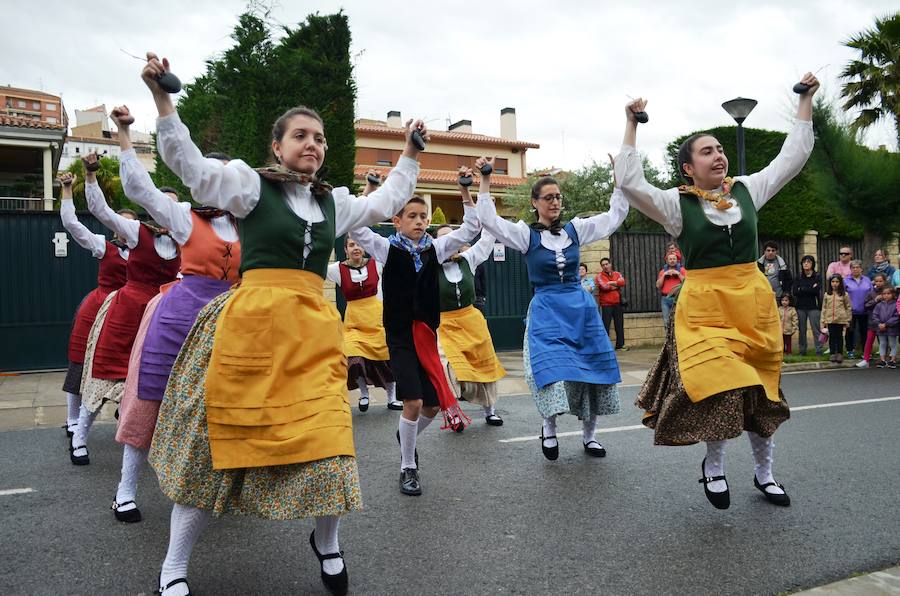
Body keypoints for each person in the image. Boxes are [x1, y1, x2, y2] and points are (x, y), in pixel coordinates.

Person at [141, 51, 424, 595]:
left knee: (331, 441)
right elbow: (194, 170)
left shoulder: (335, 204)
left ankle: (328, 543)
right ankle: (174, 567)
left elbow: (389, 198)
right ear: (278, 145)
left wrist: (409, 153)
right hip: (251, 326)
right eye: (300, 135)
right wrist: (163, 100)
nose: (312, 144)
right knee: (216, 448)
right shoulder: (250, 187)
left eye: (318, 137)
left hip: (313, 335)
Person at [615, 72, 819, 510]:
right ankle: (714, 467)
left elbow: (793, 157)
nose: (719, 155)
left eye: (721, 148)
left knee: (762, 392)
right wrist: (632, 124)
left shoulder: (747, 190)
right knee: (720, 388)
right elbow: (630, 183)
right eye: (708, 151)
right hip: (705, 308)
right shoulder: (676, 204)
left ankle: (765, 475)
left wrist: (804, 101)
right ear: (689, 167)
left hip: (753, 304)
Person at [108, 105, 242, 523]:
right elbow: (141, 191)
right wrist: (126, 136)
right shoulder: (184, 218)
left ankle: (207, 488)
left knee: (219, 408)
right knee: (152, 397)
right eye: (209, 173)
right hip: (179, 319)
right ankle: (126, 489)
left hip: (231, 322)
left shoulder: (250, 225)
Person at [476, 155, 628, 462]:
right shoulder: (525, 235)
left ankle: (590, 436)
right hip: (547, 309)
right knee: (551, 371)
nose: (555, 202)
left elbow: (615, 217)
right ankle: (548, 427)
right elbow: (490, 221)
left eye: (558, 197)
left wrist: (618, 181)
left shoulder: (575, 230)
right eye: (548, 198)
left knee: (591, 371)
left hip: (580, 309)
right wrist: (485, 179)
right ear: (535, 202)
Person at [350, 185, 479, 496]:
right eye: (412, 216)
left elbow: (472, 228)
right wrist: (369, 193)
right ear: (397, 221)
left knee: (432, 406)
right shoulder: (385, 248)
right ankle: (408, 466)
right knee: (414, 401)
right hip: (399, 335)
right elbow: (354, 224)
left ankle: (404, 434)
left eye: (423, 216)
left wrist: (464, 191)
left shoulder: (436, 248)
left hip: (427, 335)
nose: (420, 221)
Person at [70, 152, 181, 467]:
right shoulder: (136, 233)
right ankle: (79, 436)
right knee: (104, 375)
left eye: (173, 205)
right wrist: (91, 176)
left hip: (160, 317)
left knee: (154, 382)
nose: (167, 211)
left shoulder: (185, 240)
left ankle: (147, 444)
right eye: (162, 203)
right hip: (127, 313)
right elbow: (99, 210)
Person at [56, 172, 132, 443]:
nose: (124, 230)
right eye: (120, 225)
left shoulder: (145, 251)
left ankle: (125, 414)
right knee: (80, 363)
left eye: (130, 225)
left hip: (130, 314)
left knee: (128, 367)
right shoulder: (103, 246)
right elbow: (71, 224)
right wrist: (67, 190)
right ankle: (72, 420)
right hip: (98, 309)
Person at [434, 170, 507, 426]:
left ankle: (490, 410)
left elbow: (487, 239)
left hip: (472, 321)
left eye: (451, 239)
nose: (448, 244)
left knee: (484, 365)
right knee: (450, 367)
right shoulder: (428, 267)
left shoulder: (469, 259)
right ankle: (454, 413)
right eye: (442, 241)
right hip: (444, 324)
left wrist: (489, 214)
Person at [326, 172, 400, 413]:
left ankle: (391, 396)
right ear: (345, 249)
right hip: (354, 324)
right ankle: (365, 394)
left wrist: (371, 192)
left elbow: (360, 218)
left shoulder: (376, 263)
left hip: (377, 320)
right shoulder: (337, 270)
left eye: (358, 244)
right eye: (351, 245)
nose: (356, 247)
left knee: (385, 360)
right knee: (353, 357)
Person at [792, 255, 823, 356]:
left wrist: (803, 289)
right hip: (801, 307)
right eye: (804, 262)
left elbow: (816, 291)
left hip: (814, 306)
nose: (806, 264)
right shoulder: (798, 277)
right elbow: (795, 291)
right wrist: (809, 288)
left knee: (816, 329)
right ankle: (802, 350)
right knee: (802, 330)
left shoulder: (817, 276)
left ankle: (819, 350)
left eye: (808, 262)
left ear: (812, 264)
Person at [857, 273, 888, 368]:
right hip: (873, 320)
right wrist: (875, 300)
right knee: (869, 339)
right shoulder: (871, 293)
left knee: (885, 341)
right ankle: (866, 359)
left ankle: (886, 359)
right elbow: (866, 305)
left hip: (886, 320)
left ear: (884, 281)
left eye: (880, 281)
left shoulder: (889, 291)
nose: (878, 283)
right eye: (876, 281)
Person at [596, 257, 627, 350]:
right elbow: (604, 287)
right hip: (606, 305)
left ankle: (620, 345)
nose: (605, 266)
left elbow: (623, 282)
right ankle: (605, 346)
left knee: (619, 325)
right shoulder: (599, 276)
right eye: (603, 265)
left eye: (606, 264)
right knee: (606, 326)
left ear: (610, 264)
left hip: (617, 303)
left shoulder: (617, 273)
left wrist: (611, 282)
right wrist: (616, 285)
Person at [844, 260, 873, 359]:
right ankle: (849, 350)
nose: (855, 269)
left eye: (857, 267)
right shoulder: (846, 281)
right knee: (850, 331)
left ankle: (865, 352)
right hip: (851, 311)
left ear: (861, 269)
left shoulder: (867, 280)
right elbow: (843, 296)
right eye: (853, 267)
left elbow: (871, 294)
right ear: (850, 269)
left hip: (865, 310)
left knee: (864, 331)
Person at [821, 274, 852, 363]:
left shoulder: (844, 294)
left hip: (840, 319)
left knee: (839, 337)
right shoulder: (827, 295)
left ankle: (839, 353)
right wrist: (823, 321)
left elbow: (848, 307)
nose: (835, 284)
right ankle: (832, 353)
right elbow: (824, 308)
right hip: (830, 319)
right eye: (833, 282)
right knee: (832, 337)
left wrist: (848, 319)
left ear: (840, 283)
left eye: (837, 282)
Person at [871, 285, 899, 368]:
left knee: (892, 343)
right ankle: (882, 360)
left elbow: (896, 316)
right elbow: (874, 316)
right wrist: (879, 324)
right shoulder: (879, 305)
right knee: (882, 343)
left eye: (888, 293)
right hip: (880, 328)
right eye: (884, 294)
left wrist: (886, 324)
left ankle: (893, 360)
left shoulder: (895, 305)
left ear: (893, 294)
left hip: (892, 327)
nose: (886, 295)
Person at [657, 251, 686, 328]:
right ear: (667, 260)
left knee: (678, 321)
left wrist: (678, 274)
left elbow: (687, 283)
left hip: (678, 298)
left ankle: (677, 339)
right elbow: (658, 286)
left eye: (674, 259)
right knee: (666, 321)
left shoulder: (682, 270)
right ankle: (668, 339)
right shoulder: (663, 271)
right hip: (665, 299)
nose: (672, 260)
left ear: (677, 260)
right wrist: (664, 275)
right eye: (670, 259)